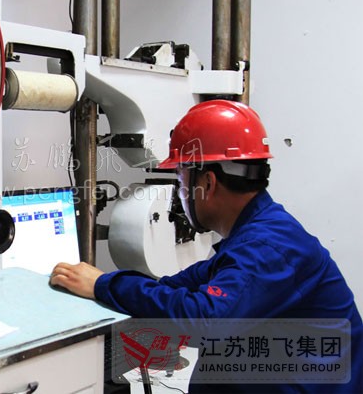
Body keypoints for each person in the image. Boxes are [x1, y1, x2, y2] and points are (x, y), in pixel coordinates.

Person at [50, 100, 362, 393]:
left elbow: (205, 320)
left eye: (180, 179)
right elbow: (178, 286)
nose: (180, 191)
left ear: (208, 183)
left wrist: (105, 285)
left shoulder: (268, 247)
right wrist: (105, 287)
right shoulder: (256, 233)